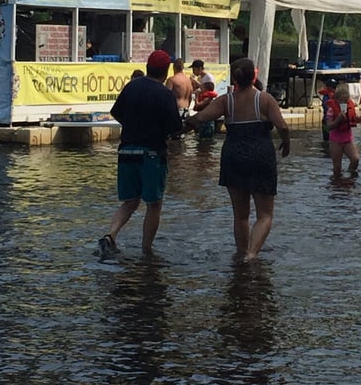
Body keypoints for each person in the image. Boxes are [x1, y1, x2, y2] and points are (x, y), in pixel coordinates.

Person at [183, 57, 290, 262]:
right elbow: (283, 126)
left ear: (234, 77)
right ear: (253, 77)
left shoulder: (226, 100)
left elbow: (201, 118)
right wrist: (286, 142)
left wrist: (180, 127)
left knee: (240, 215)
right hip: (261, 156)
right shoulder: (265, 99)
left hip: (234, 156)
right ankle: (251, 254)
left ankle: (241, 253)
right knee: (265, 214)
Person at [98, 50, 183, 259]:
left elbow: (116, 112)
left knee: (130, 201)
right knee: (153, 204)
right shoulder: (165, 94)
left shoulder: (131, 87)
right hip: (152, 154)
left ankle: (110, 235)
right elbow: (175, 128)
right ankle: (147, 250)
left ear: (147, 67)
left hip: (126, 151)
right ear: (165, 72)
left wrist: (133, 126)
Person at [325, 82, 360, 178]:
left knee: (355, 159)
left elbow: (354, 119)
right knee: (337, 168)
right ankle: (337, 186)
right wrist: (337, 120)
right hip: (335, 140)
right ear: (336, 100)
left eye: (346, 101)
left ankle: (350, 175)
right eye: (341, 101)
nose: (344, 103)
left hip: (348, 139)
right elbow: (328, 126)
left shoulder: (350, 107)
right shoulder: (332, 110)